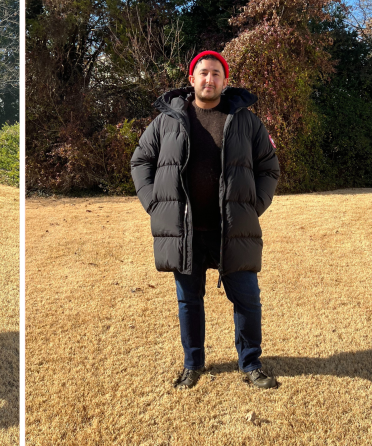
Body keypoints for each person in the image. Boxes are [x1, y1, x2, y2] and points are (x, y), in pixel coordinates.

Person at [130, 51, 280, 390]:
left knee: (246, 299)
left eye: (216, 74)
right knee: (189, 301)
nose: (209, 79)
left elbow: (269, 167)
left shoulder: (246, 120)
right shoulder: (168, 120)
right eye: (203, 73)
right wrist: (155, 203)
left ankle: (251, 363)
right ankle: (192, 364)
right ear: (192, 78)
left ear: (225, 81)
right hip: (186, 232)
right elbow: (141, 161)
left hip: (232, 230)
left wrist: (253, 205)